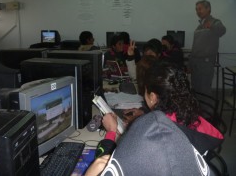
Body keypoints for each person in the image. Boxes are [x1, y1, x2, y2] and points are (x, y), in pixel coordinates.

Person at [85, 62, 223, 175]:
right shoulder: (186, 113)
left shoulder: (157, 136)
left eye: (144, 91)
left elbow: (109, 166)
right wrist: (144, 112)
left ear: (152, 97)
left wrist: (111, 132)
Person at [189, 0, 226, 96]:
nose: (198, 11)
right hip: (195, 62)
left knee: (204, 91)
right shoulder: (199, 26)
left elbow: (222, 30)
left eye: (200, 9)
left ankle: (207, 111)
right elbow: (196, 46)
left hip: (205, 63)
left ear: (208, 9)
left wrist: (212, 26)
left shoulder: (215, 21)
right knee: (196, 89)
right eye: (196, 9)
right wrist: (190, 62)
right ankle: (198, 110)